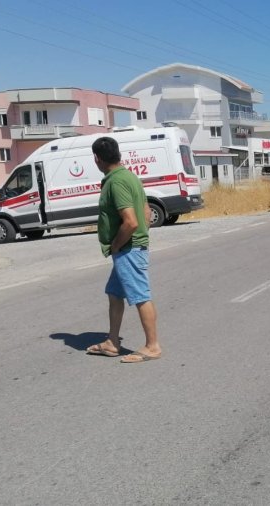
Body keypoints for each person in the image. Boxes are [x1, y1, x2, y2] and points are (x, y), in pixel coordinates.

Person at [86, 136, 162, 364]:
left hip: (128, 249)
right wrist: (141, 237)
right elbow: (146, 211)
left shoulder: (116, 182)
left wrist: (118, 245)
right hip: (131, 247)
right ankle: (112, 342)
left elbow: (130, 221)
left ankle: (152, 346)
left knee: (140, 296)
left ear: (97, 158)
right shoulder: (129, 176)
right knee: (114, 293)